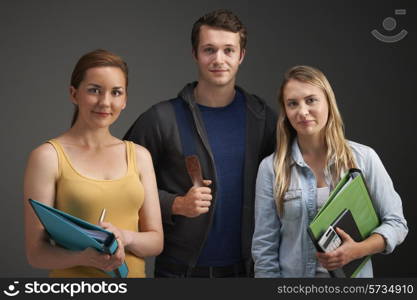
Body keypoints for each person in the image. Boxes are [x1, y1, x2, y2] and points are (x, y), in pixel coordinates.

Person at [124, 9, 277, 277]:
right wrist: (175, 204)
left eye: (228, 50)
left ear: (241, 56)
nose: (219, 59)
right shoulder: (162, 119)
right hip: (178, 271)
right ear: (195, 54)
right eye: (209, 50)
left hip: (251, 271)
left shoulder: (263, 119)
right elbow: (121, 186)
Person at [252, 65, 408, 278]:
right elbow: (264, 248)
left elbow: (397, 224)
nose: (302, 111)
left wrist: (358, 251)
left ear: (328, 102)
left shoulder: (364, 158)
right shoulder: (271, 168)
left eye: (311, 100)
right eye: (292, 104)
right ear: (285, 111)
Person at [24, 49, 163, 278]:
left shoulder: (140, 156)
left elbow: (156, 241)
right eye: (94, 90)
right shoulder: (47, 157)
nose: (105, 102)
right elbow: (35, 252)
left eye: (116, 92)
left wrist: (123, 237)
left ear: (125, 99)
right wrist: (83, 257)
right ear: (73, 93)